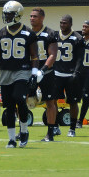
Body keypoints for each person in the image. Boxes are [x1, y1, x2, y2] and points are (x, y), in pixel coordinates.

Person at [0, 1, 35, 147]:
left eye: (10, 14)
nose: (7, 17)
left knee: (19, 99)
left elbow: (34, 56)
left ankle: (24, 130)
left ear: (18, 15)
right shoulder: (1, 33)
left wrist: (34, 73)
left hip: (22, 71)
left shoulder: (28, 33)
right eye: (6, 14)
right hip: (5, 72)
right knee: (9, 106)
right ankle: (10, 138)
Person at [29, 8, 59, 141]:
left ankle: (51, 132)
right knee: (21, 100)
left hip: (46, 72)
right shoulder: (26, 33)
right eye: (30, 16)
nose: (31, 18)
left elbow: (53, 54)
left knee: (50, 102)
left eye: (34, 16)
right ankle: (23, 130)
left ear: (42, 18)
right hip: (30, 71)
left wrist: (44, 69)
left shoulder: (50, 33)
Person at [52, 15, 85, 138]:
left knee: (73, 102)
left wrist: (76, 72)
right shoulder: (54, 36)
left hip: (71, 74)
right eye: (61, 23)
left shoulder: (77, 38)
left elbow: (80, 58)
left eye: (65, 23)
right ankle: (55, 126)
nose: (62, 25)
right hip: (56, 73)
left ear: (70, 24)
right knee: (52, 100)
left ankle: (72, 128)